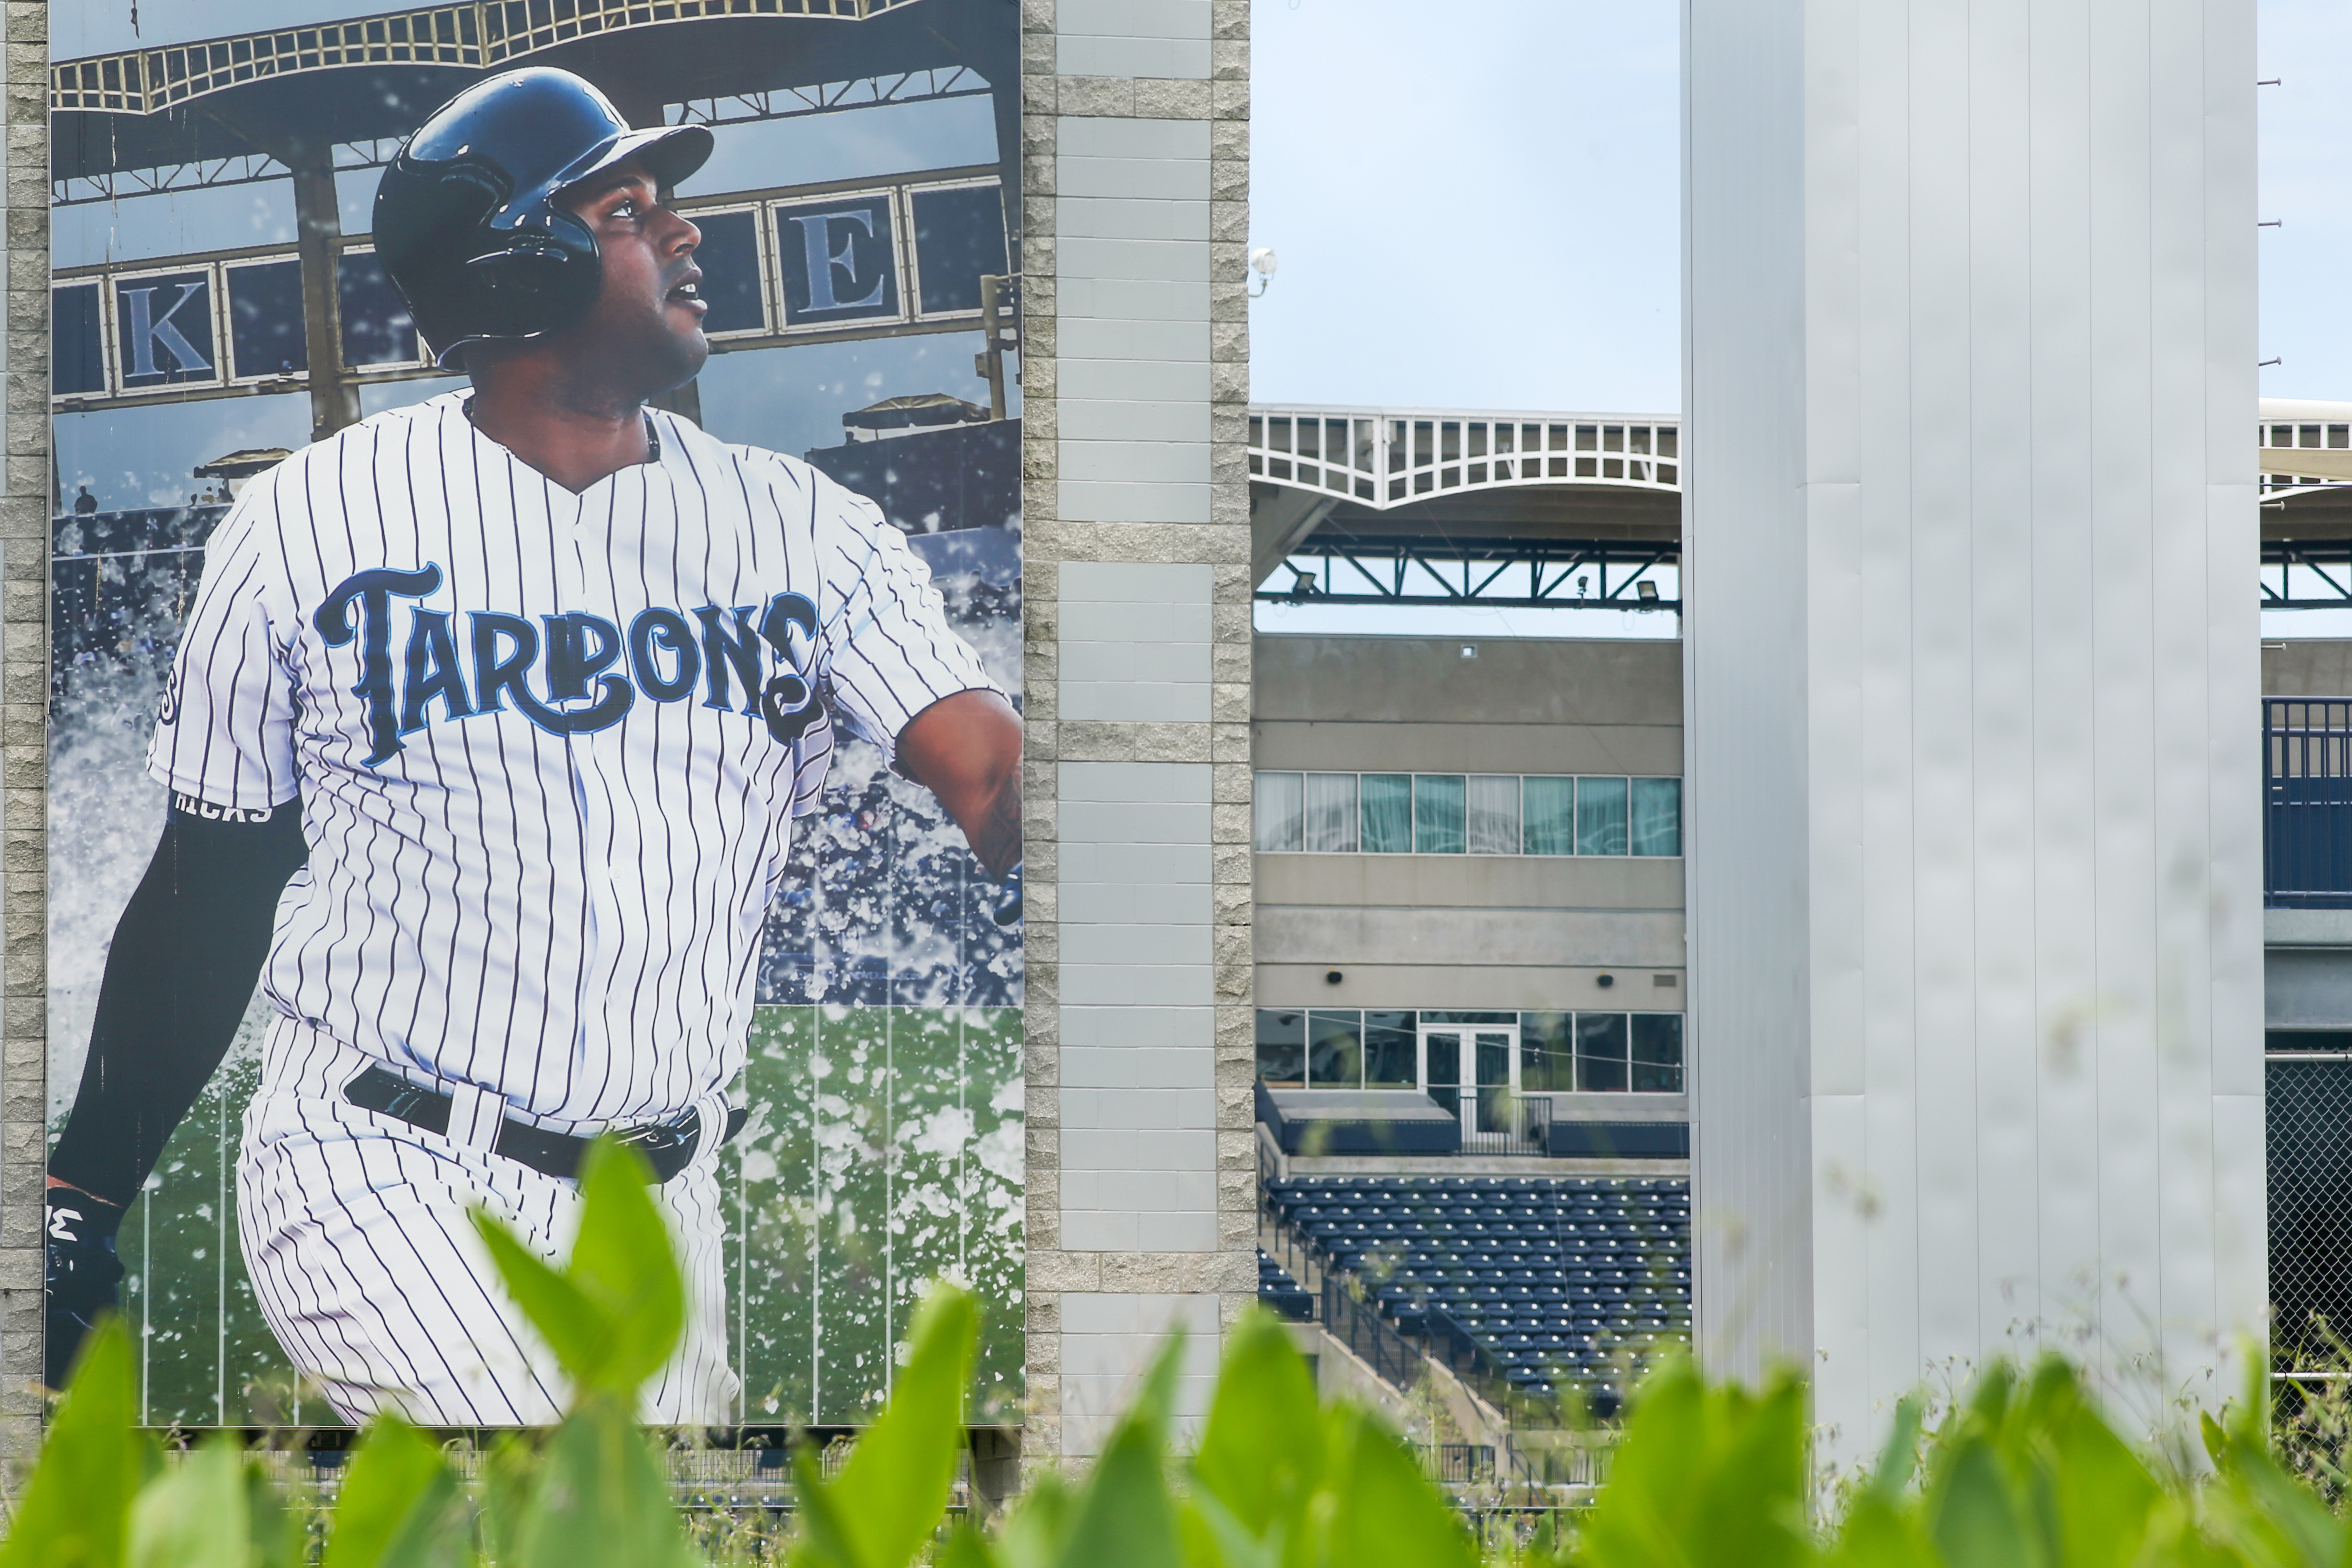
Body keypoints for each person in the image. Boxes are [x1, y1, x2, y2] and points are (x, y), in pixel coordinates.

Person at [41, 67, 1022, 1421]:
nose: (682, 232)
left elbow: (988, 773)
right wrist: (80, 1189)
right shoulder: (308, 522)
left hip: (660, 1201)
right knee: (547, 1502)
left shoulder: (808, 526)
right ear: (520, 262)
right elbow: (212, 881)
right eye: (628, 208)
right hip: (383, 1161)